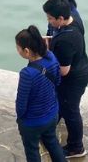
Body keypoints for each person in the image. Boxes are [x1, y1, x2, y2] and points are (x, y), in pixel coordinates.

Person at [43, 0, 88, 158]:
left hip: (73, 79)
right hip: (82, 67)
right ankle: (49, 127)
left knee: (71, 111)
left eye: (50, 18)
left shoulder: (65, 41)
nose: (49, 22)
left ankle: (76, 147)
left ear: (61, 18)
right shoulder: (75, 20)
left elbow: (63, 71)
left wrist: (43, 63)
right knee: (62, 104)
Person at [15, 26, 66, 162]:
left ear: (26, 51)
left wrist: (20, 120)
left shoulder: (27, 74)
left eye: (18, 48)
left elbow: (21, 104)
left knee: (32, 151)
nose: (17, 50)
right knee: (53, 143)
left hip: (33, 122)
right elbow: (58, 81)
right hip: (52, 114)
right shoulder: (51, 57)